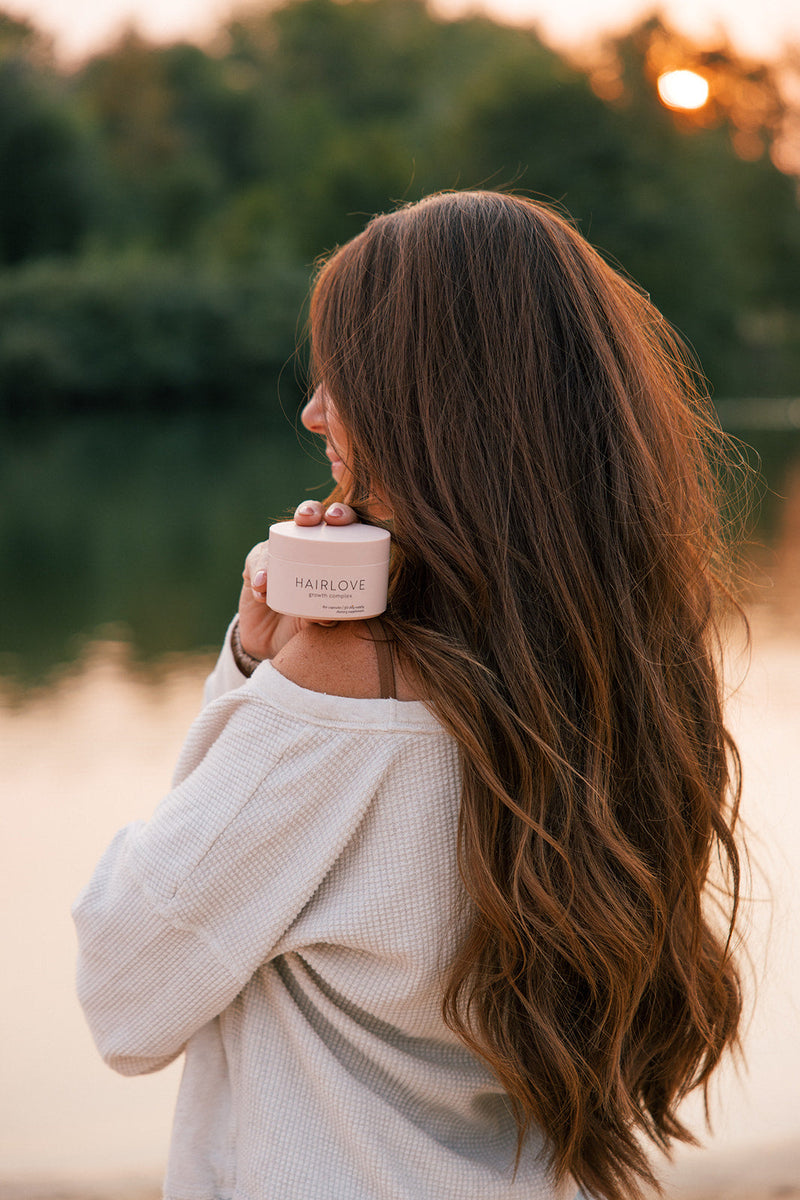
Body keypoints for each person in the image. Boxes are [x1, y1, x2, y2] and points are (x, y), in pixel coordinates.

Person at [73, 190, 746, 1200]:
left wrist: (255, 676)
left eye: (343, 374)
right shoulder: (614, 673)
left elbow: (125, 990)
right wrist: (265, 664)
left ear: (430, 405)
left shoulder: (346, 689)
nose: (312, 411)